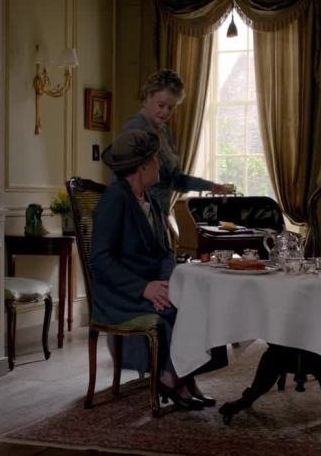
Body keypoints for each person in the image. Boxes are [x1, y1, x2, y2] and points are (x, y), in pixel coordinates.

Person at [92, 129, 213, 409]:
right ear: (142, 166)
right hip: (121, 295)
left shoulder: (151, 200)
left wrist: (164, 282)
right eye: (156, 159)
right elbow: (101, 259)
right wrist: (144, 288)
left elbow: (166, 252)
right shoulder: (115, 199)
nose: (160, 164)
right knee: (185, 307)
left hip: (153, 286)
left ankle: (184, 375)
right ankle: (171, 378)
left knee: (202, 299)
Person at [123, 69, 234, 216]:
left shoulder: (164, 131)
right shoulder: (135, 128)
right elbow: (125, 181)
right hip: (138, 214)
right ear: (148, 97)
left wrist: (210, 186)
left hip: (159, 213)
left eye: (171, 107)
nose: (166, 112)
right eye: (161, 105)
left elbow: (175, 180)